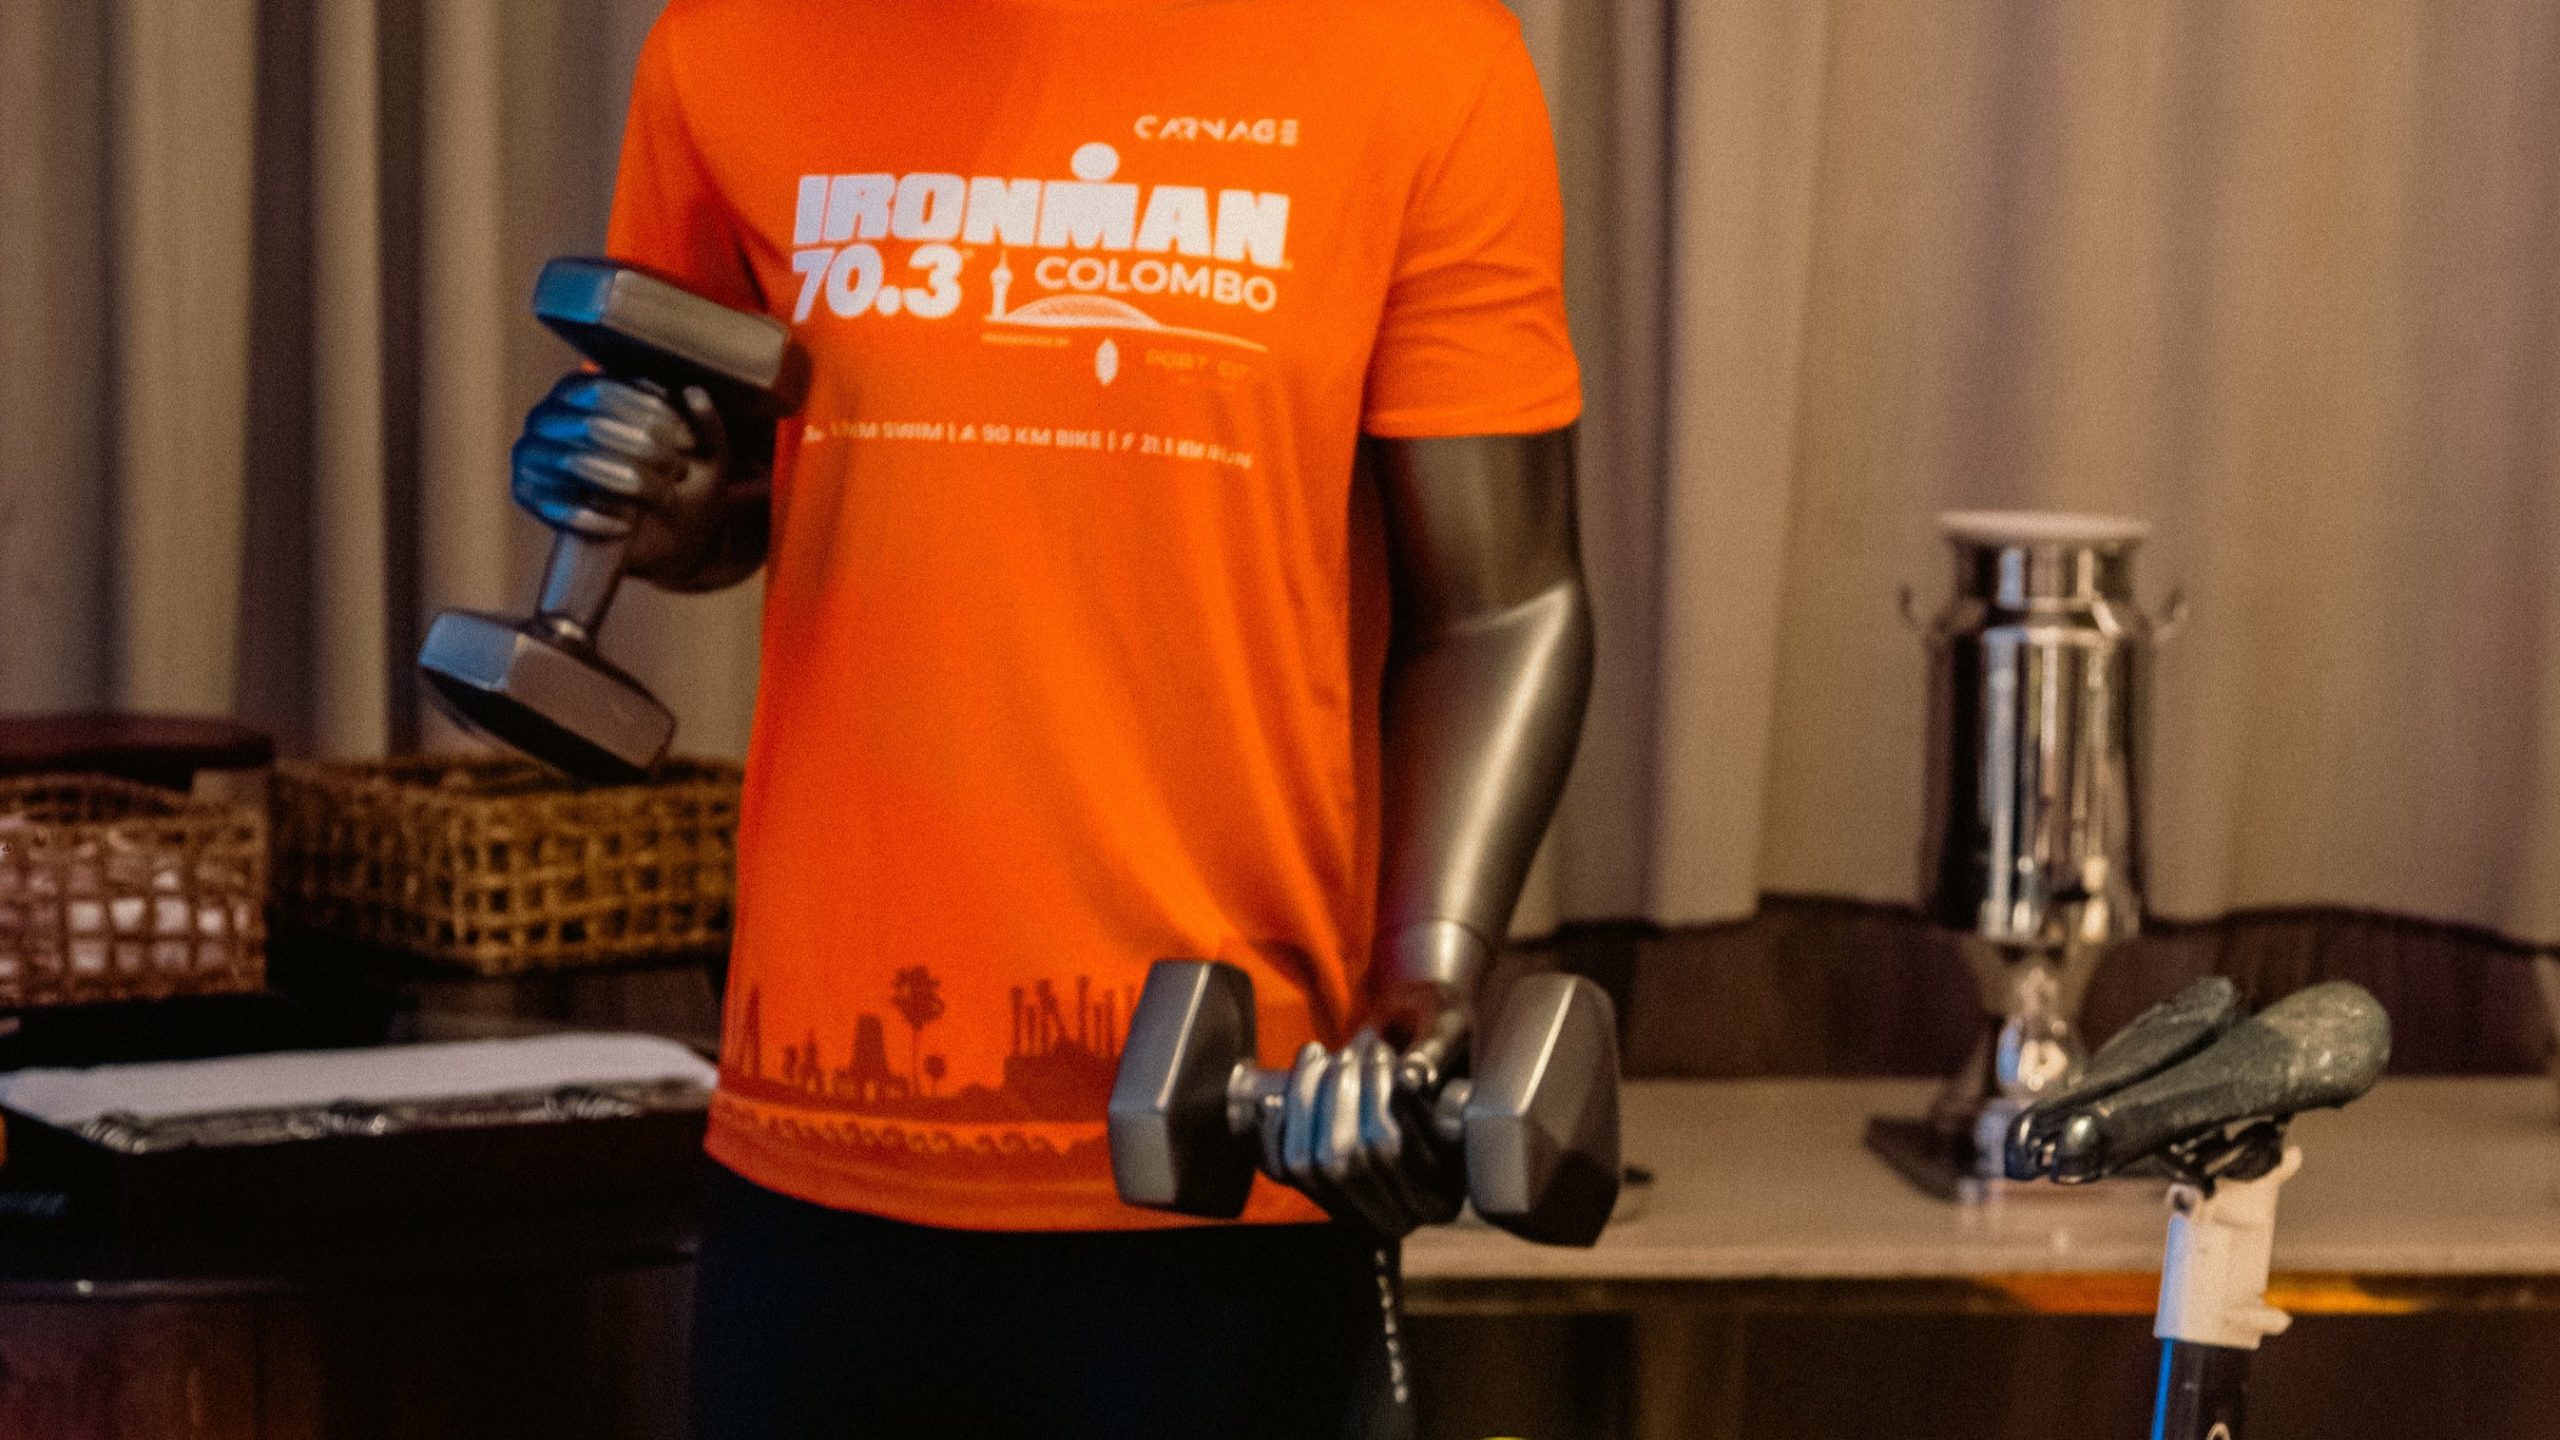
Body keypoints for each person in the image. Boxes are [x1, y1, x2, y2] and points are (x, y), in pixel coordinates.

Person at [511, 0, 1591, 1434]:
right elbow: (750, 488)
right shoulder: (732, 47)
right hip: (819, 1141)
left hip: (1225, 1143)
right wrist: (665, 503)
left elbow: (1504, 607)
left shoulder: (1422, 57)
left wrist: (1430, 974)